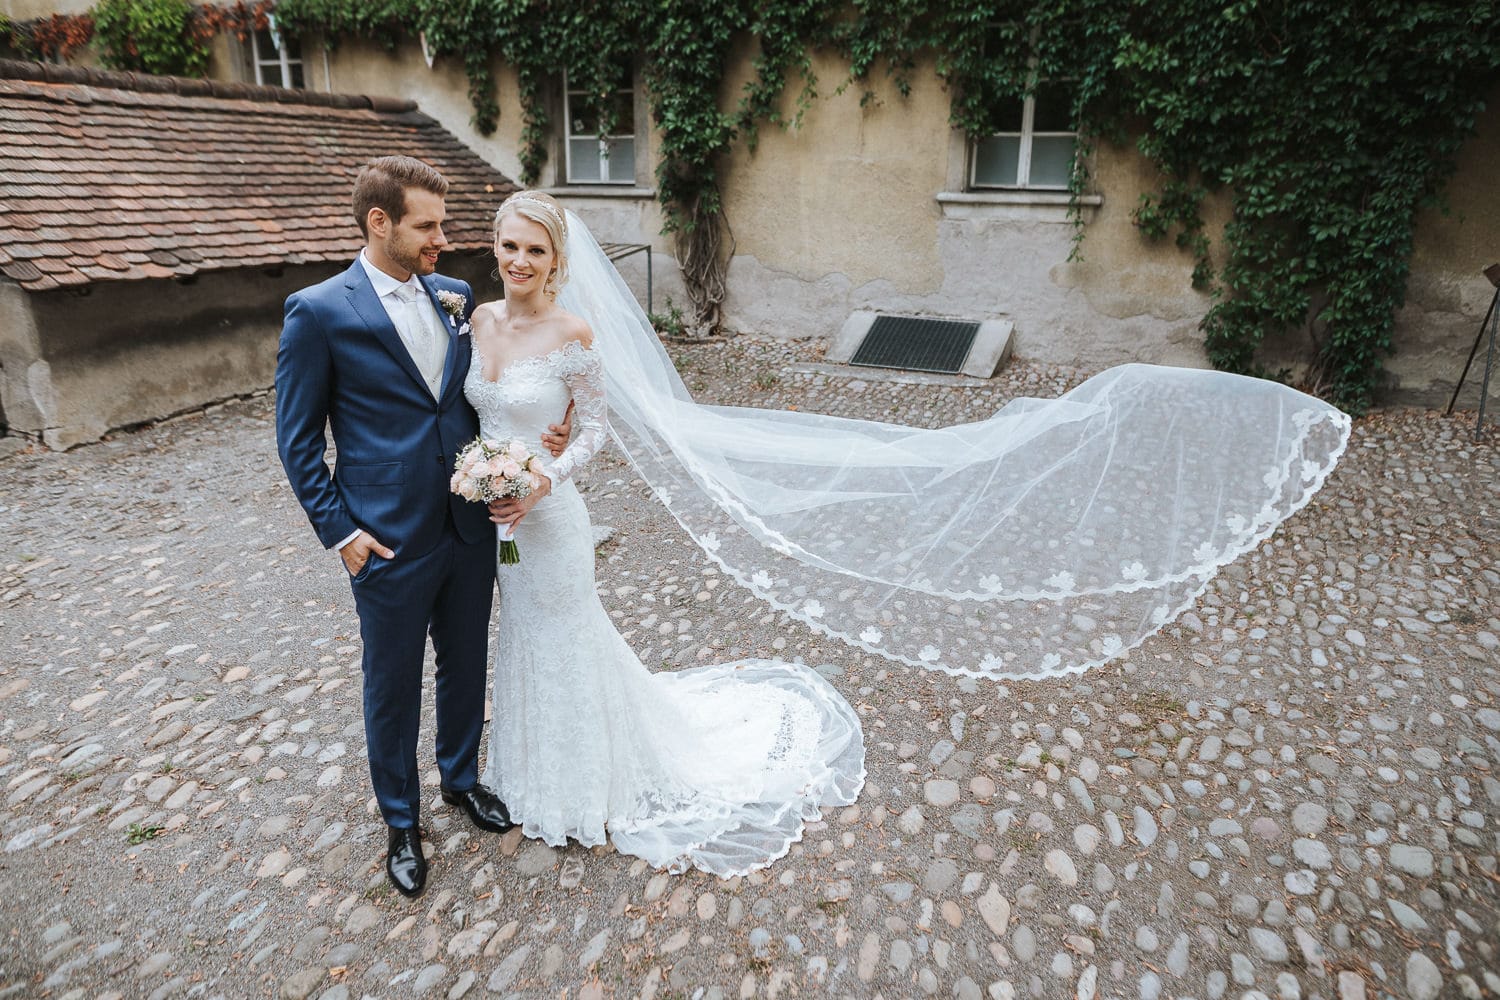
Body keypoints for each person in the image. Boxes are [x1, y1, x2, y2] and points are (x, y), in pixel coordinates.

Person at [467, 191, 865, 875]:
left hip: (552, 521)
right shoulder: (476, 320)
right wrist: (482, 473)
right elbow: (472, 410)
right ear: (495, 246)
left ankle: (588, 787)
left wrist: (543, 479)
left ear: (557, 259)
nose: (520, 260)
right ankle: (533, 773)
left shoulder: (573, 335)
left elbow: (594, 430)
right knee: (524, 635)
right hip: (500, 524)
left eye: (536, 249)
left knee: (567, 637)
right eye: (510, 246)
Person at [274, 158, 570, 898]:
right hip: (386, 536)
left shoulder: (454, 296)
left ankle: (462, 780)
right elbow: (296, 439)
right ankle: (400, 823)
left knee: (466, 660)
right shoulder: (319, 312)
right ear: (381, 223)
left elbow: (481, 398)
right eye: (427, 226)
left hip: (468, 521)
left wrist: (546, 439)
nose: (445, 238)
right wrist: (342, 534)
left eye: (443, 224)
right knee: (393, 680)